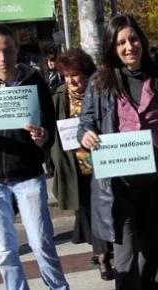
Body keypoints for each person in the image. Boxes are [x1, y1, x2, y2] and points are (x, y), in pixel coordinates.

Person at [78, 15, 158, 290]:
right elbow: (85, 122)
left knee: (153, 259)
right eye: (121, 42)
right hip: (118, 188)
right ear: (112, 47)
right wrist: (86, 134)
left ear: (141, 40)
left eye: (133, 39)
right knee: (126, 260)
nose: (129, 46)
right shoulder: (99, 82)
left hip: (155, 185)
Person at [0, 24, 69, 289]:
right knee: (4, 251)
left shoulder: (35, 81)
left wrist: (43, 136)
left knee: (42, 245)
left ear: (18, 50)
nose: (3, 58)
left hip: (27, 174)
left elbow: (50, 126)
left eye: (9, 51)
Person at [47, 48, 114, 281]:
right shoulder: (57, 96)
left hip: (102, 163)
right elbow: (49, 132)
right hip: (73, 167)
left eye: (74, 74)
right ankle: (101, 252)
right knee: (87, 212)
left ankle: (105, 253)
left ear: (86, 73)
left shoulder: (101, 92)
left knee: (104, 211)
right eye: (66, 76)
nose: (71, 81)